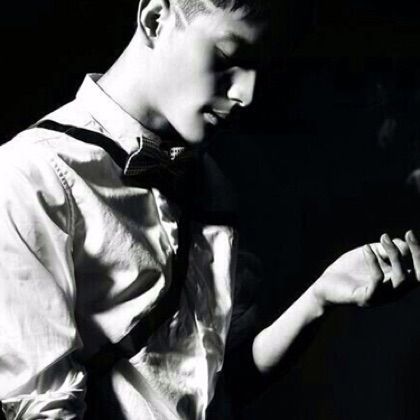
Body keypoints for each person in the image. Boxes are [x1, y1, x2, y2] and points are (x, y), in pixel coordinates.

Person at [0, 0, 419, 419]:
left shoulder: (209, 181)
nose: (246, 94)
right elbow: (42, 409)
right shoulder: (31, 176)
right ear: (155, 19)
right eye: (225, 57)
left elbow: (214, 389)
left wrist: (319, 297)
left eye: (257, 68)